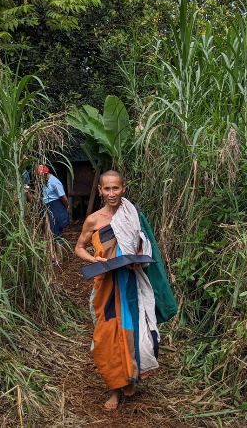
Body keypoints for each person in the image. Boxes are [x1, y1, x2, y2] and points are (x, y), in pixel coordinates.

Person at [74, 170, 178, 410]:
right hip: (105, 286)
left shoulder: (133, 216)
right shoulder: (93, 220)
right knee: (105, 337)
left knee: (133, 330)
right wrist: (94, 260)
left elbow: (145, 245)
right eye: (107, 189)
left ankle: (130, 377)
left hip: (131, 284)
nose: (112, 194)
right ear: (100, 190)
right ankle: (114, 387)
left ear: (124, 188)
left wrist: (140, 256)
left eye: (116, 188)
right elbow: (79, 248)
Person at [37, 165, 69, 264]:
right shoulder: (45, 182)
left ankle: (58, 258)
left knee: (56, 233)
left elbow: (63, 197)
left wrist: (67, 207)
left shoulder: (54, 182)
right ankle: (52, 256)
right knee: (50, 232)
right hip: (48, 207)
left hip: (56, 207)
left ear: (45, 174)